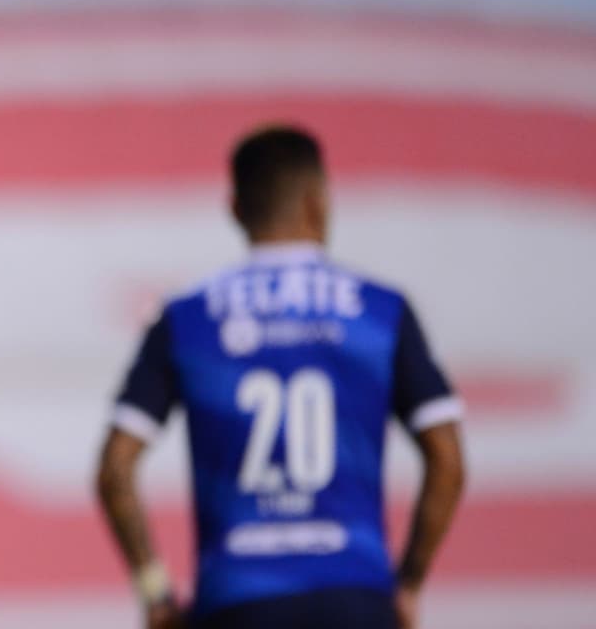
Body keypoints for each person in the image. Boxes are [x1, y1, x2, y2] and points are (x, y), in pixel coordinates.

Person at [95, 126, 465, 629]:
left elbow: (115, 469)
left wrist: (155, 593)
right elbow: (447, 460)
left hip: (238, 601)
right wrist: (409, 583)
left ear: (235, 209)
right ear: (318, 202)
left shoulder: (186, 318)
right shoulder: (381, 312)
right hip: (355, 598)